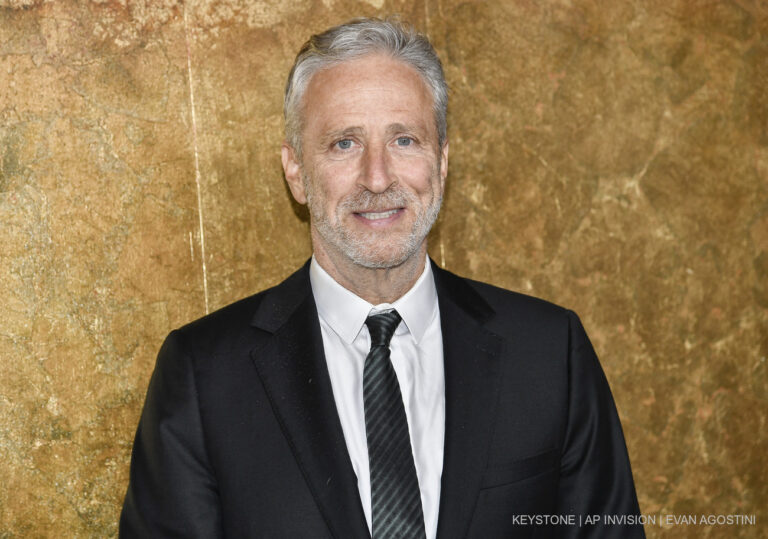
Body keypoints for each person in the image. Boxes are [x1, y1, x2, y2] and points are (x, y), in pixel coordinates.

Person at [120, 17, 644, 538]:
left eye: (405, 140)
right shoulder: (203, 376)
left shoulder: (549, 354)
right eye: (344, 143)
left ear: (441, 164)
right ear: (296, 172)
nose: (377, 177)